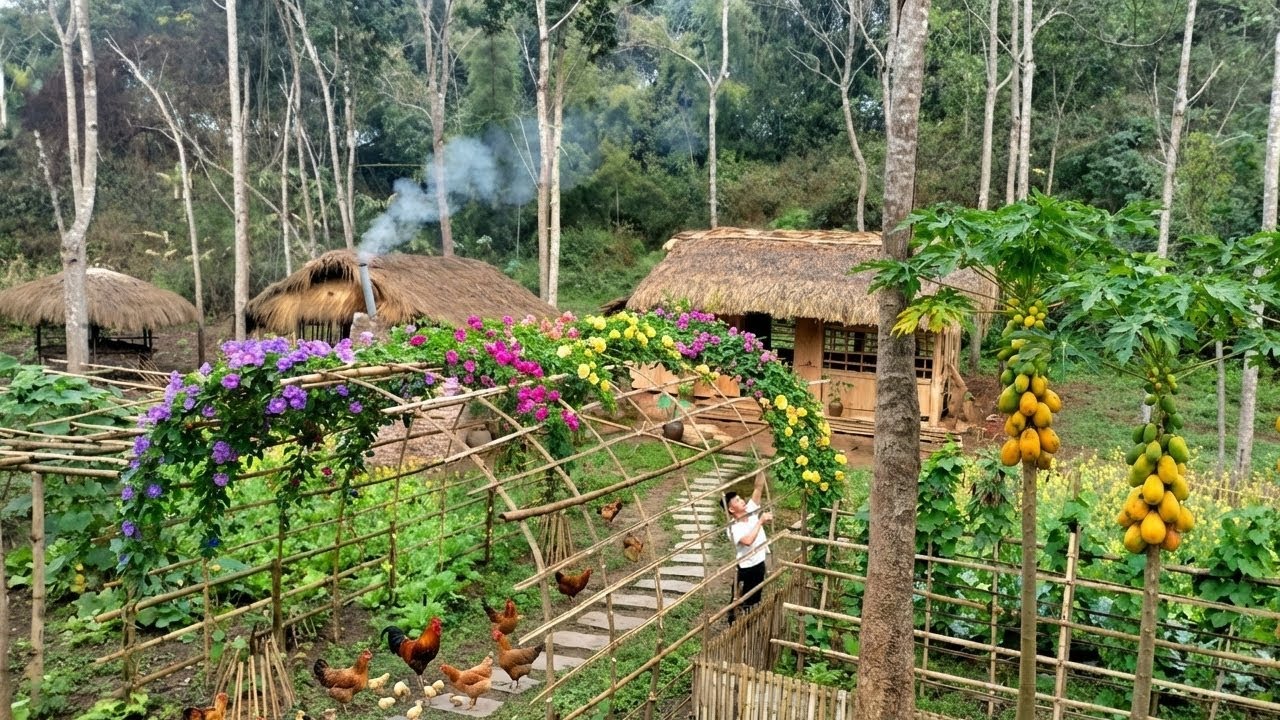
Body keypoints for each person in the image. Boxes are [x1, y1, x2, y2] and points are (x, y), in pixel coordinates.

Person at [722, 471, 772, 623]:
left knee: (755, 596)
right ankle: (733, 622)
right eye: (737, 501)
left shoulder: (751, 509)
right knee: (739, 597)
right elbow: (748, 541)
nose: (742, 501)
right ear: (731, 510)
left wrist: (761, 469)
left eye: (740, 498)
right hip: (746, 567)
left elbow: (758, 487)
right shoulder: (733, 528)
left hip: (759, 563)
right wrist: (760, 521)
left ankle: (749, 622)